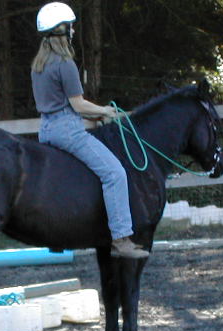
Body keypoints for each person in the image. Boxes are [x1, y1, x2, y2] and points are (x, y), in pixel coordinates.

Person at [31, 2, 149, 259]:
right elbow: (78, 105)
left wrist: (97, 118)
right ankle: (121, 239)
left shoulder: (39, 65)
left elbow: (60, 107)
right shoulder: (65, 64)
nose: (73, 31)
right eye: (70, 27)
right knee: (115, 173)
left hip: (47, 129)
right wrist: (106, 111)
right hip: (67, 129)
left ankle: (57, 237)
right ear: (60, 30)